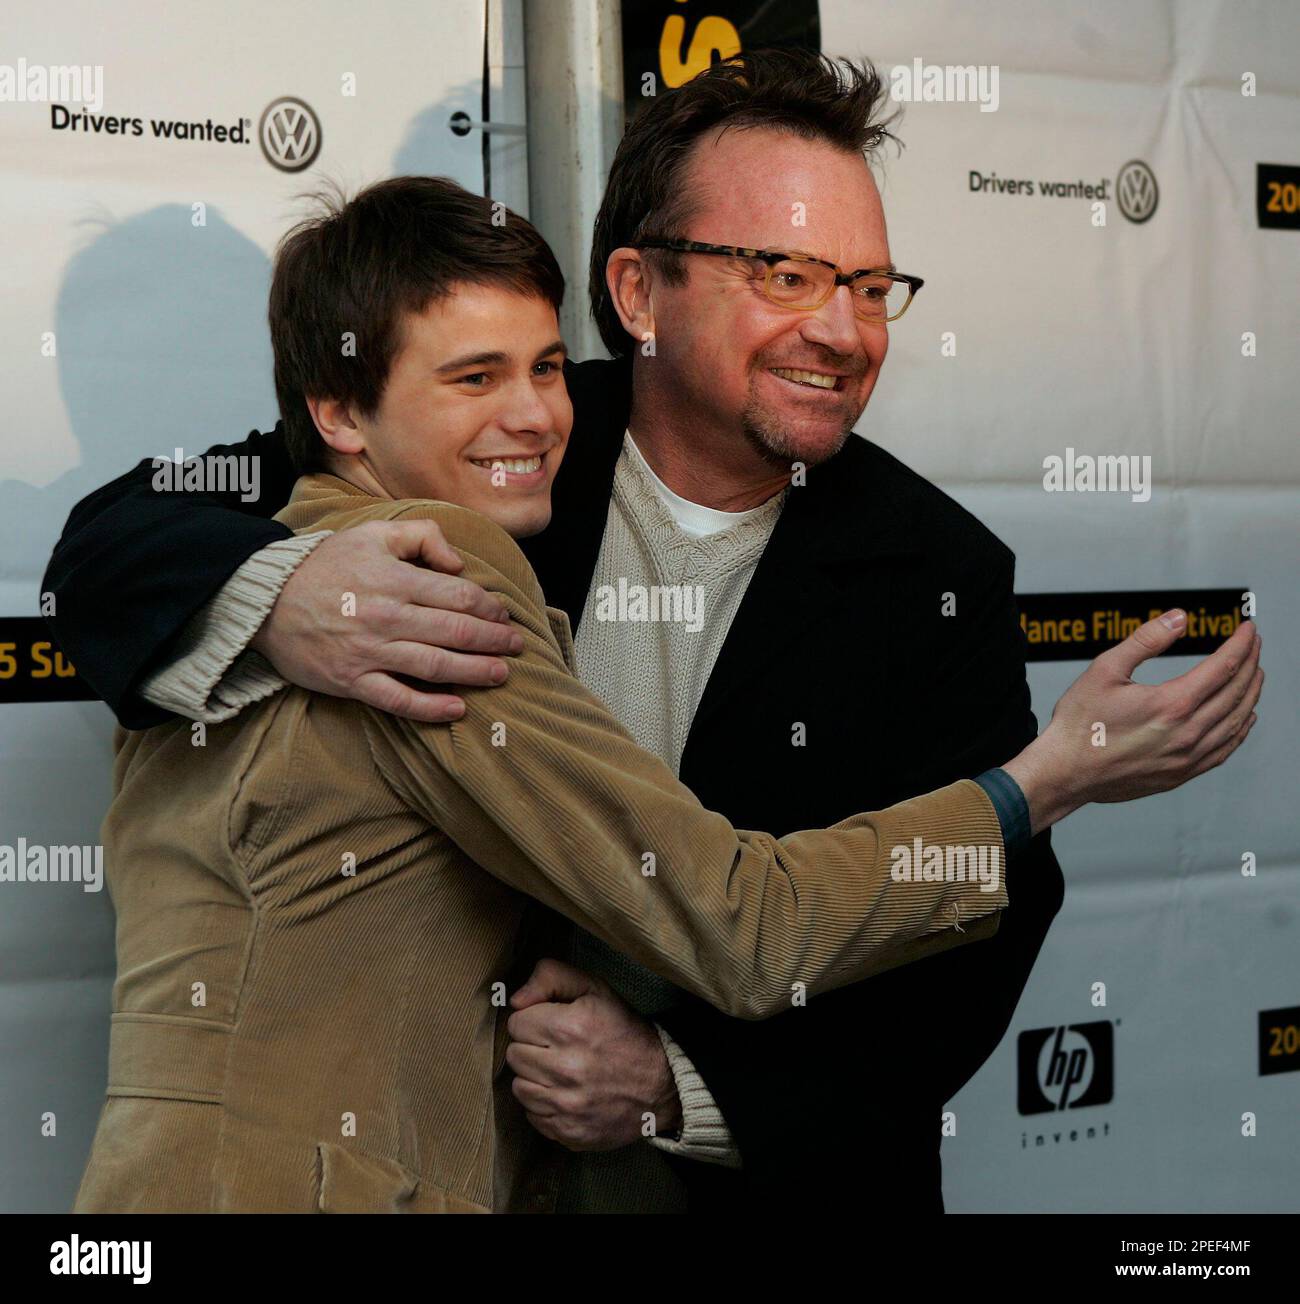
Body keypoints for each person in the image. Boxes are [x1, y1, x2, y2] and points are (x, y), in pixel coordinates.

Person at [47, 53, 1263, 1213]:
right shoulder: (496, 453)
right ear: (639, 291)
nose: (841, 330)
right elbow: (123, 533)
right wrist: (285, 588)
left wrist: (680, 1092)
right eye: (784, 275)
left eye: (868, 286)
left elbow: (959, 961)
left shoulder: (934, 570)